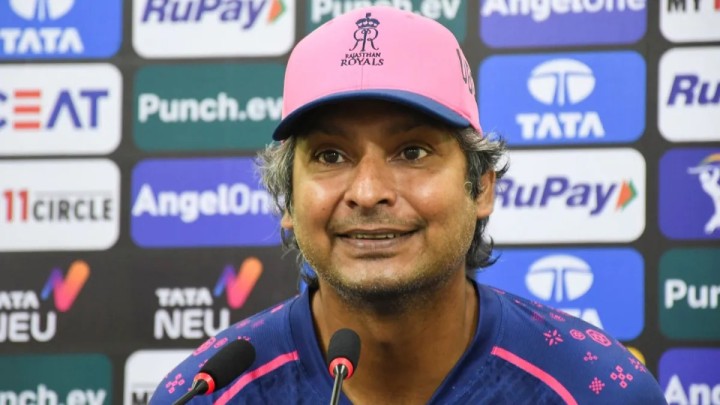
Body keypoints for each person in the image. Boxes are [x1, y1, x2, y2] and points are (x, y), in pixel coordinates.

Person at [150, 6, 666, 404]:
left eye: (413, 152)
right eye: (330, 155)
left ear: (482, 188)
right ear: (286, 197)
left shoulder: (598, 388)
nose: (368, 191)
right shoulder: (206, 394)